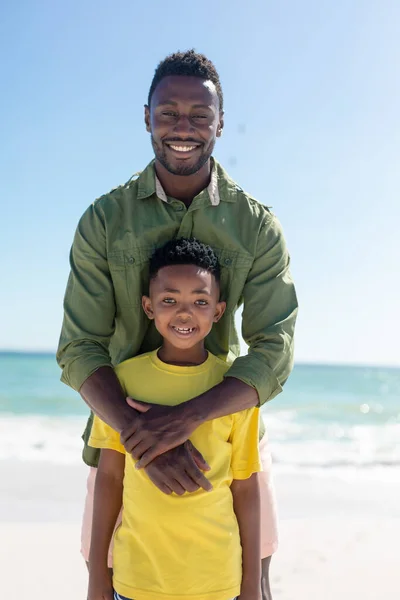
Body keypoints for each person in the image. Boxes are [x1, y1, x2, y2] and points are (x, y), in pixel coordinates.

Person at [57, 49, 298, 599]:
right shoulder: (103, 219)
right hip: (120, 442)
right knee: (117, 579)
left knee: (251, 584)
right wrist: (146, 440)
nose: (182, 128)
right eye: (168, 113)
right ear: (147, 117)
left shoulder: (256, 226)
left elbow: (274, 349)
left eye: (198, 114)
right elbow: (79, 348)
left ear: (220, 120)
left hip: (225, 444)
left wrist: (186, 420)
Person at [88, 238, 262, 600]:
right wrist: (97, 577)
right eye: (170, 300)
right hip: (138, 580)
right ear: (148, 307)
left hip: (217, 582)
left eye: (200, 301)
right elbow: (109, 479)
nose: (185, 313)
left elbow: (246, 488)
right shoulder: (123, 380)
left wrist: (251, 586)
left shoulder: (235, 390)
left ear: (218, 311)